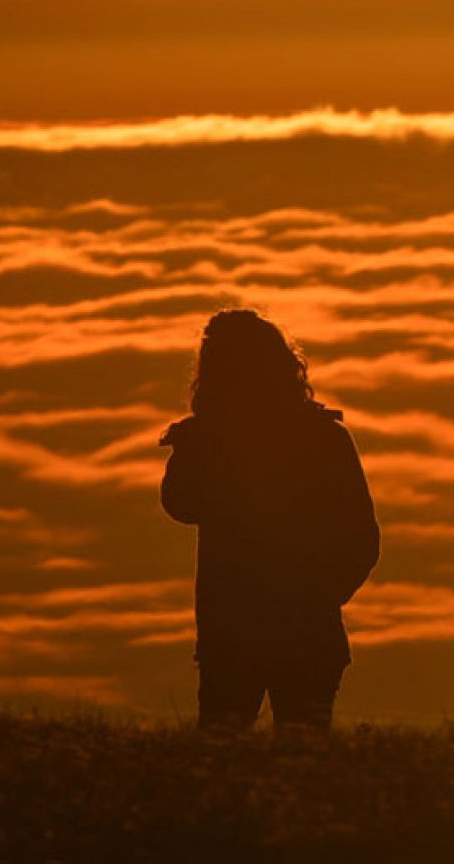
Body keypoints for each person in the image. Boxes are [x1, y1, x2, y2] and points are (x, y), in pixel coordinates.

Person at [160, 309, 379, 730]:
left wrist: (318, 598)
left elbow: (180, 504)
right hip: (278, 634)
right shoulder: (322, 436)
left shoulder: (312, 438)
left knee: (225, 754)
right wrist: (320, 600)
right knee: (296, 756)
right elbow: (181, 504)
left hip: (245, 634)